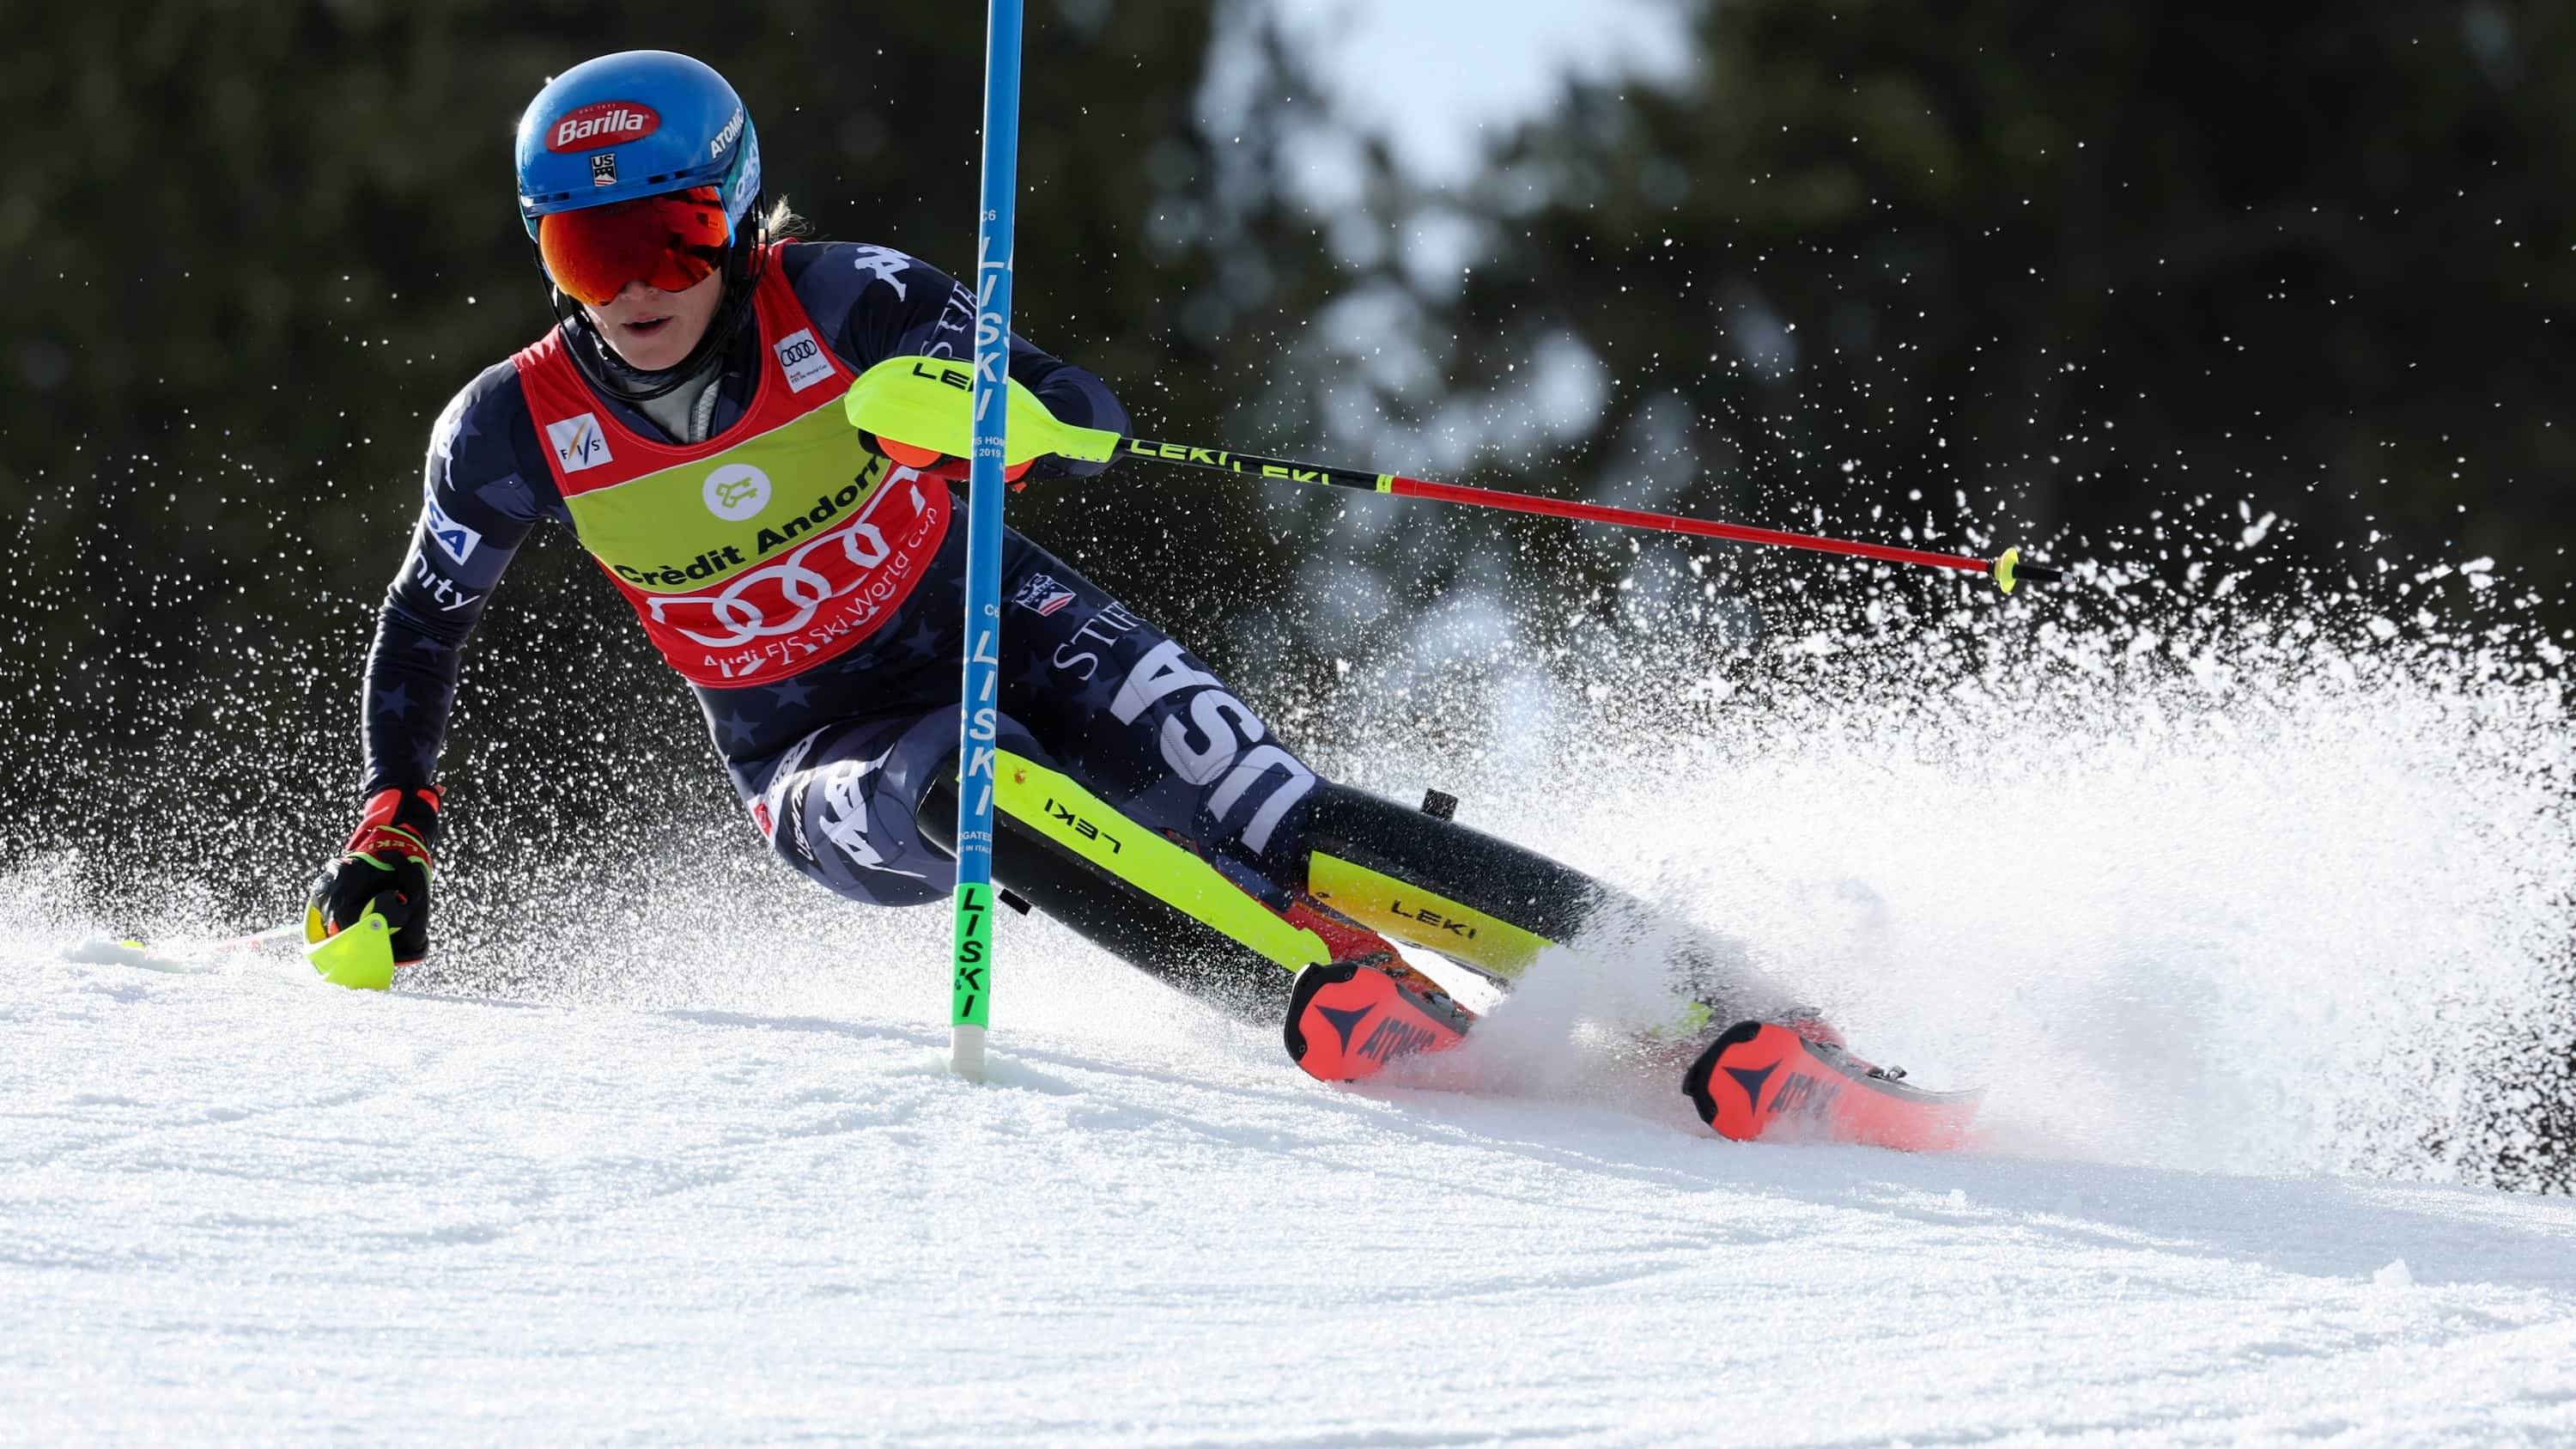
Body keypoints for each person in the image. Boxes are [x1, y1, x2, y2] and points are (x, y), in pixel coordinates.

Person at [305, 50, 1835, 1119]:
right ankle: (1334, 998)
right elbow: (426, 619)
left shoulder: (848, 300)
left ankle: (1711, 997)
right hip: (811, 756)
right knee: (979, 786)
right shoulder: (511, 429)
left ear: (735, 211)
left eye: (670, 236)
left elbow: (1079, 407)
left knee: (1270, 810)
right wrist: (395, 824)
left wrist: (992, 428)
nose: (636, 287)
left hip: (999, 617)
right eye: (587, 252)